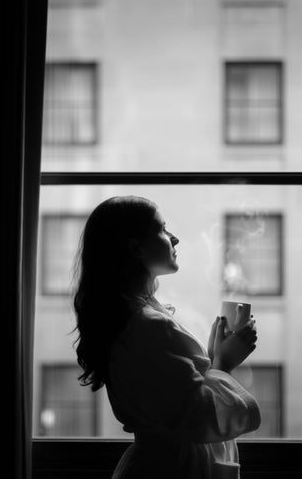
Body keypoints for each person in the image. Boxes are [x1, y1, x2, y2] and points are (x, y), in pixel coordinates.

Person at [72, 195, 261, 479]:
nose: (174, 239)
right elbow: (196, 417)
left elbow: (173, 398)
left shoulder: (136, 321)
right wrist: (223, 365)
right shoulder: (147, 326)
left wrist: (211, 363)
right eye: (162, 229)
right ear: (135, 247)